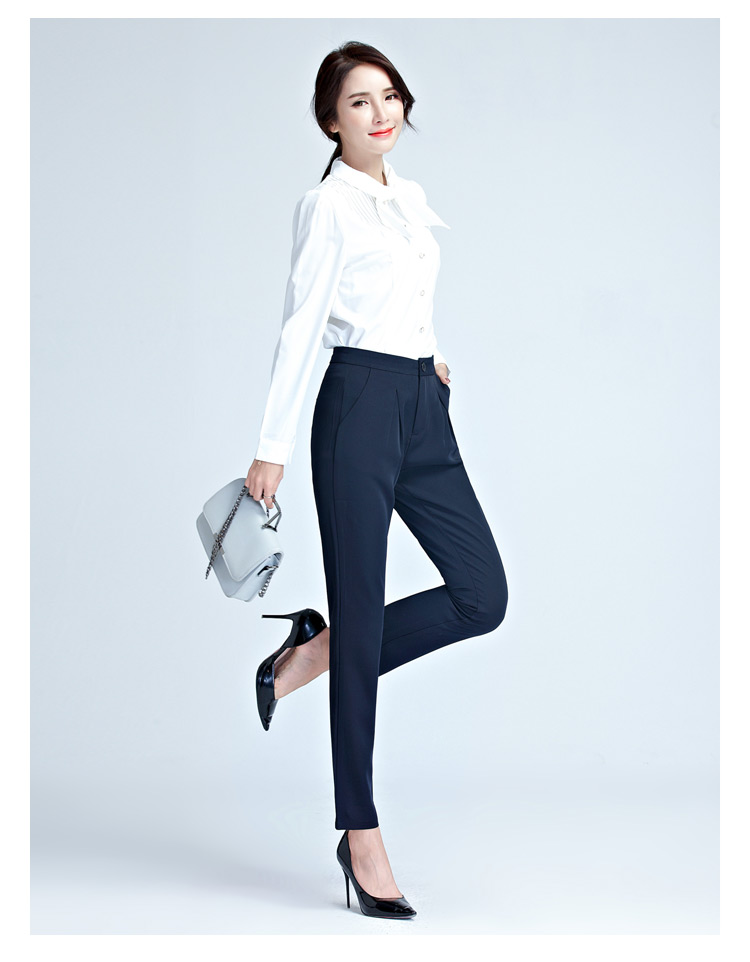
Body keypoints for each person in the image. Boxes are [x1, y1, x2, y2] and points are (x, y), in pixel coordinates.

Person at [244, 41, 508, 919]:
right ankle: (359, 834)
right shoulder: (327, 206)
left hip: (421, 408)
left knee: (482, 594)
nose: (381, 113)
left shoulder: (408, 198)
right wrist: (271, 448)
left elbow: (406, 302)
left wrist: (434, 360)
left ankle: (319, 651)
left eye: (389, 96)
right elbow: (302, 326)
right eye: (359, 102)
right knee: (363, 609)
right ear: (332, 121)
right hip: (355, 408)